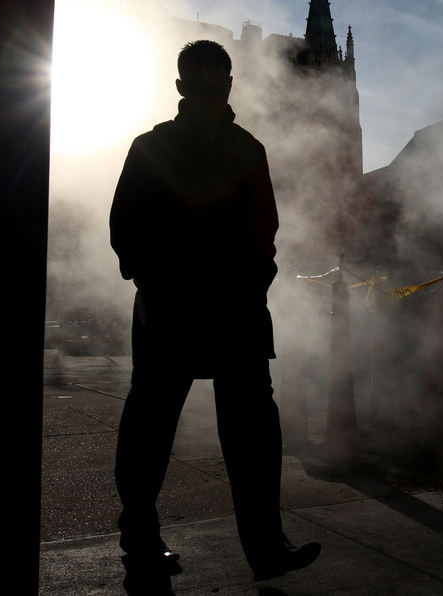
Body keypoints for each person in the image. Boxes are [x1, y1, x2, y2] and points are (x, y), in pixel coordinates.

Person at [109, 40, 320, 592]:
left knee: (251, 428)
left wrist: (252, 283)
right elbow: (125, 230)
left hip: (233, 310)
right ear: (181, 87)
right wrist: (158, 279)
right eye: (199, 83)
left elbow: (265, 231)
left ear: (230, 83)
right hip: (174, 307)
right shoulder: (150, 147)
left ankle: (266, 548)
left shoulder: (249, 149)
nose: (209, 91)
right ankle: (141, 542)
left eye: (216, 81)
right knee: (151, 425)